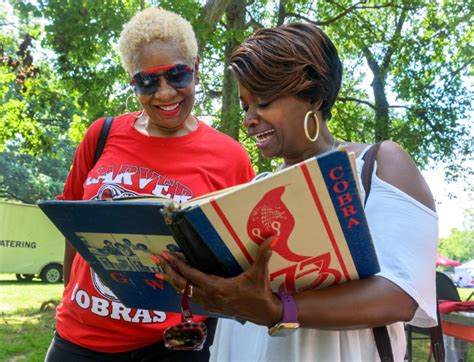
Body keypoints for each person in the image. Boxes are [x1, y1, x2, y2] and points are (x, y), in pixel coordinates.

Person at [156, 23, 438, 361]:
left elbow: (399, 296)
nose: (249, 119)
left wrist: (277, 309)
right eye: (246, 106)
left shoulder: (378, 164)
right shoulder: (254, 191)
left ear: (314, 97)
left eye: (263, 101)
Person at [45, 7, 254, 361]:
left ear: (196, 68)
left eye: (177, 75)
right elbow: (73, 228)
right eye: (147, 81)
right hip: (80, 339)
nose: (165, 94)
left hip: (173, 346)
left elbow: (239, 256)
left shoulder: (231, 157)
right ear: (132, 81)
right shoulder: (101, 135)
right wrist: (70, 294)